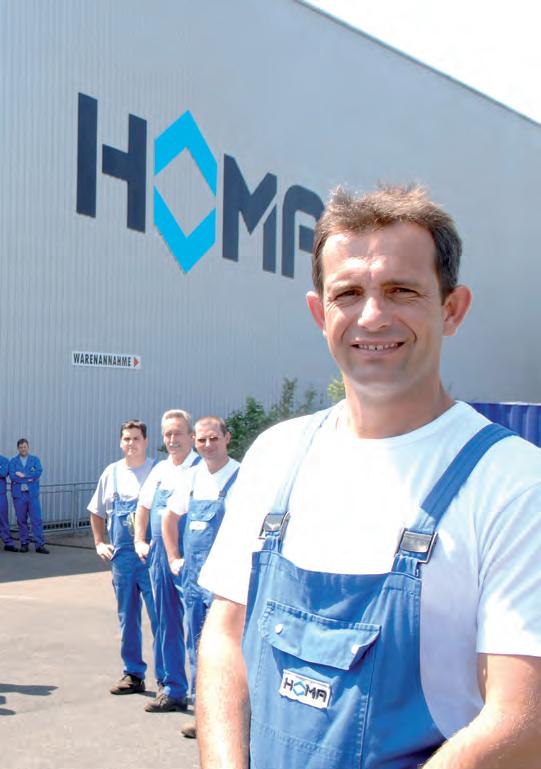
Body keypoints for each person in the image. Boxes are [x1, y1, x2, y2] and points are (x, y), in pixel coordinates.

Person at [196, 185, 541, 768]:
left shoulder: (513, 484)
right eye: (348, 293)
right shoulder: (277, 456)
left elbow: (523, 720)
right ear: (320, 313)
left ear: (452, 309)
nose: (373, 316)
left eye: (402, 290)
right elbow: (226, 637)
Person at [162, 415, 238, 738]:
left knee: (230, 649)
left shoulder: (242, 477)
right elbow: (169, 518)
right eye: (202, 440)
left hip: (229, 582)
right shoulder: (191, 478)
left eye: (214, 438)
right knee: (197, 647)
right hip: (194, 580)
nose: (208, 445)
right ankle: (202, 715)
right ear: (195, 441)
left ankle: (233, 717)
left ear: (227, 438)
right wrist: (173, 557)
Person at [132, 410, 200, 714]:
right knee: (166, 622)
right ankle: (172, 689)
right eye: (168, 434)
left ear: (191, 436)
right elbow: (143, 506)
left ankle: (203, 699)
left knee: (198, 628)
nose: (173, 439)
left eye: (178, 433)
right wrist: (139, 539)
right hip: (160, 556)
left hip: (192, 556)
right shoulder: (160, 470)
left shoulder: (202, 469)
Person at [87, 420, 157, 696]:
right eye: (127, 439)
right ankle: (133, 674)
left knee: (161, 619)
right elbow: (96, 512)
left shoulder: (157, 472)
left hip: (151, 557)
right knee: (128, 618)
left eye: (136, 438)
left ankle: (168, 680)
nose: (131, 443)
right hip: (122, 558)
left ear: (146, 441)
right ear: (120, 442)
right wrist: (99, 542)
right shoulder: (112, 473)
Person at [9, 438, 48, 553]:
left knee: (36, 520)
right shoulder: (13, 461)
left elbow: (38, 472)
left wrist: (23, 476)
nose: (23, 449)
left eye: (25, 447)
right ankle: (24, 543)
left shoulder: (35, 460)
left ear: (28, 447)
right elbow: (12, 476)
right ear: (18, 448)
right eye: (21, 447)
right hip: (19, 495)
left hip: (32, 495)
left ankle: (39, 545)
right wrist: (29, 478)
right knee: (21, 520)